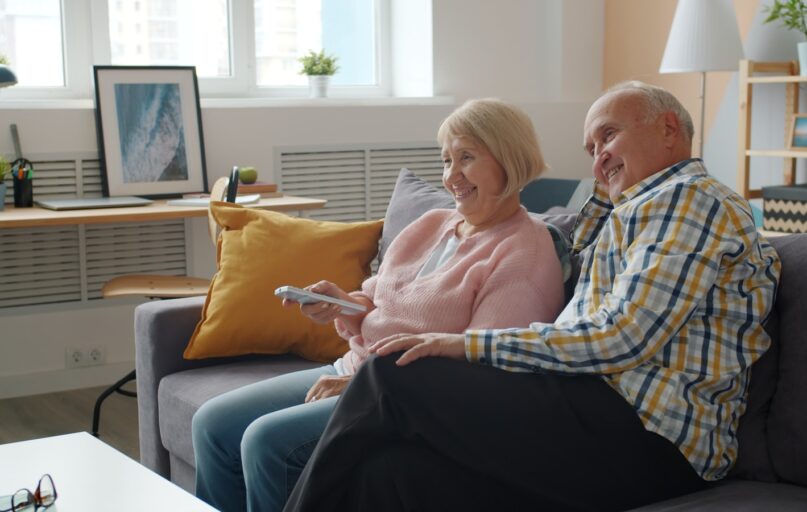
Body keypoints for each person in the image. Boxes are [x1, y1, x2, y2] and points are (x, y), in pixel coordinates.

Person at [282, 82, 782, 512]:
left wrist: (467, 345)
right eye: (590, 148)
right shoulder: (630, 211)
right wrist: (607, 190)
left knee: (391, 374)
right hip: (587, 410)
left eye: (609, 135)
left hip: (651, 436)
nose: (598, 156)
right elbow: (578, 246)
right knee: (390, 474)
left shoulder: (689, 200)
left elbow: (624, 337)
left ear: (669, 130)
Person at [191, 98, 567, 512]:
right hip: (357, 370)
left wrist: (363, 387)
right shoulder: (436, 223)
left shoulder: (525, 253)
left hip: (401, 401)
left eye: (466, 157)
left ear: (510, 159)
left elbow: (475, 369)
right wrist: (344, 304)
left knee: (267, 443)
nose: (451, 176)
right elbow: (381, 296)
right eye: (446, 160)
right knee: (212, 425)